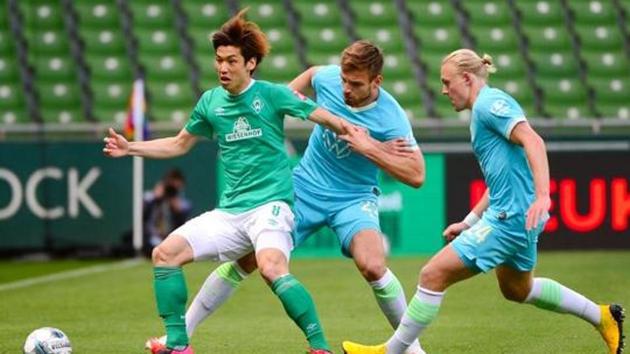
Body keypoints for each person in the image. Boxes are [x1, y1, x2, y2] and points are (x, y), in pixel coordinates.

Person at [104, 9, 356, 354]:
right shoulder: (210, 102)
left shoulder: (271, 94)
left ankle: (319, 347)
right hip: (230, 213)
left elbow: (321, 114)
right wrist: (130, 147)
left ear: (250, 63)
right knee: (164, 254)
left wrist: (352, 130)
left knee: (271, 268)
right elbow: (179, 143)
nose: (223, 67)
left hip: (271, 207)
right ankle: (178, 344)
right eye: (219, 60)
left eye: (232, 60)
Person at [341, 49, 625, 354]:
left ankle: (391, 352)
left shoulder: (490, 104)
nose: (444, 90)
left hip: (510, 218)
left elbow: (534, 140)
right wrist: (469, 221)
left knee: (432, 274)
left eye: (447, 82)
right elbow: (501, 178)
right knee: (518, 288)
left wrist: (544, 195)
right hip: (514, 217)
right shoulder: (481, 112)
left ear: (466, 78)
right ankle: (603, 316)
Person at [183, 40, 427, 354]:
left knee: (373, 265)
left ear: (376, 82)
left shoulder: (391, 117)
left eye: (355, 84)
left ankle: (413, 350)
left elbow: (417, 175)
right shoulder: (327, 79)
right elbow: (311, 75)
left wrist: (372, 150)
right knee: (246, 258)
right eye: (343, 80)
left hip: (353, 198)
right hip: (304, 187)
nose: (346, 89)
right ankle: (180, 337)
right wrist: (278, 102)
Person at [143, 168, 192, 255]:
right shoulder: (150, 198)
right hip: (151, 238)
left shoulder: (183, 203)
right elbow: (143, 216)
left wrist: (175, 204)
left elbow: (183, 220)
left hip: (173, 238)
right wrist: (155, 198)